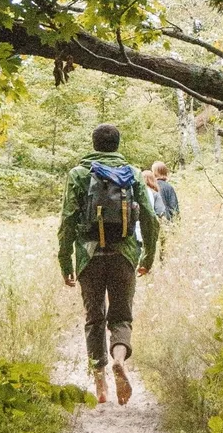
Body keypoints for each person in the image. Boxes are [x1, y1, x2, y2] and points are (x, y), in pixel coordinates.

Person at [58, 124, 159, 405]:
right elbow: (150, 218)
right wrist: (148, 256)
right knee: (121, 316)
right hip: (125, 254)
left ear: (94, 144)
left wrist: (65, 261)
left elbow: (67, 221)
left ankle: (100, 384)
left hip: (89, 256)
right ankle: (118, 359)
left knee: (94, 318)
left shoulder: (79, 174)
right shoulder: (133, 174)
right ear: (117, 145)